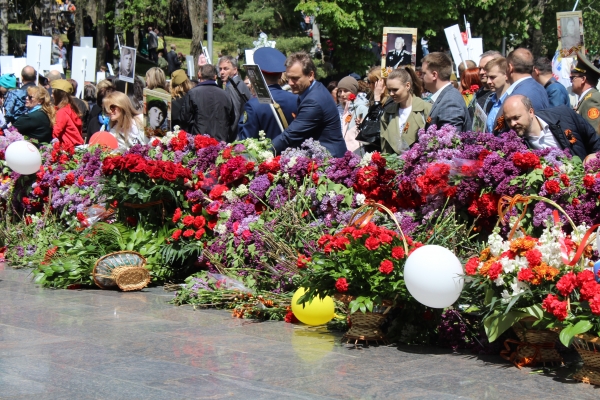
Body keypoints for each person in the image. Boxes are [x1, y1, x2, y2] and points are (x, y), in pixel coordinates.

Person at [271, 52, 346, 157]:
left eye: (295, 78)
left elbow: (290, 135)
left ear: (310, 75)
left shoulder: (314, 101)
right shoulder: (314, 90)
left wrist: (266, 151)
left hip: (330, 162)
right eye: (288, 78)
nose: (290, 83)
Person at [503, 95, 600, 161]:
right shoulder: (513, 144)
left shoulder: (564, 115)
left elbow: (594, 141)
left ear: (531, 112)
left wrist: (594, 156)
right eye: (508, 120)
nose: (512, 123)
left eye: (516, 118)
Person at [238, 47, 298, 140]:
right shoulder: (296, 99)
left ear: (258, 73)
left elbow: (246, 139)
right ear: (279, 75)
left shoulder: (253, 105)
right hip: (293, 154)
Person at [380, 68, 431, 154]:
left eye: (395, 89)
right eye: (389, 90)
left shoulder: (426, 109)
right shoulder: (387, 114)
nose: (391, 94)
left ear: (407, 86)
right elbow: (385, 149)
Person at [182, 64, 235, 141]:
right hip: (220, 141)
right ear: (215, 77)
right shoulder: (225, 95)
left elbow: (185, 118)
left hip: (199, 142)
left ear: (199, 75)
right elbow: (232, 118)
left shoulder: (193, 93)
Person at [422, 52, 472, 132]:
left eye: (424, 73)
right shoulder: (446, 96)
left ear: (434, 75)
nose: (421, 77)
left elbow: (450, 141)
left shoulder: (450, 102)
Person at [337, 75, 369, 153]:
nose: (342, 94)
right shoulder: (339, 108)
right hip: (342, 150)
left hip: (357, 151)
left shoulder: (362, 108)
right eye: (340, 91)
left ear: (353, 92)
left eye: (345, 91)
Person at [571, 51, 600, 135]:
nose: (571, 81)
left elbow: (593, 134)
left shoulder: (591, 100)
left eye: (573, 78)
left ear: (583, 79)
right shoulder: (587, 97)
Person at [219, 55, 252, 127]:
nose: (222, 72)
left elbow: (235, 114)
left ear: (235, 70)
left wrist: (229, 135)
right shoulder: (240, 82)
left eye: (226, 69)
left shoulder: (231, 87)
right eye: (220, 69)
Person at [51, 79, 84, 147]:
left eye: (53, 93)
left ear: (58, 95)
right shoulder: (71, 108)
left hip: (68, 148)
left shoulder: (62, 112)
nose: (51, 95)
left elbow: (55, 133)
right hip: (76, 146)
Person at [484, 57, 510, 133]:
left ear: (506, 75)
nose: (488, 81)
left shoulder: (513, 101)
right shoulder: (490, 102)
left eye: (492, 77)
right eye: (487, 77)